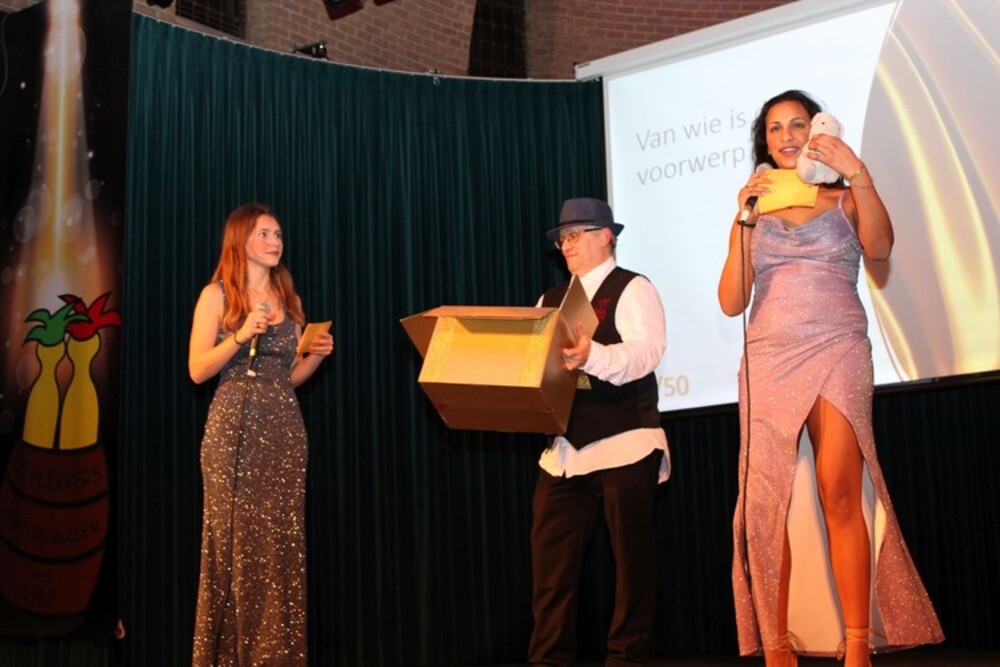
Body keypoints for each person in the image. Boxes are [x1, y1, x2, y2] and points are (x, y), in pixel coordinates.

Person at [717, 90, 943, 667]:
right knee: (766, 503)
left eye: (797, 124)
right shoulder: (753, 208)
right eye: (775, 129)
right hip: (768, 355)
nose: (787, 136)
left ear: (819, 131)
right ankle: (776, 646)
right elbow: (731, 301)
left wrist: (858, 172)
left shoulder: (844, 197)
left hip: (837, 344)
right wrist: (744, 219)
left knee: (838, 487)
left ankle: (857, 643)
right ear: (765, 143)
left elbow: (881, 247)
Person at [188, 203, 334, 666]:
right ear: (241, 240)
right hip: (232, 430)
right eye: (265, 234)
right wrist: (239, 335)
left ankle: (274, 656)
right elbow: (196, 370)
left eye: (278, 234)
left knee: (278, 547)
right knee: (234, 545)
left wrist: (315, 356)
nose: (276, 242)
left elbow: (286, 378)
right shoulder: (216, 295)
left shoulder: (287, 296)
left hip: (284, 430)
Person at [529, 197, 670, 667]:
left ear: (605, 236)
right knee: (551, 573)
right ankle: (548, 660)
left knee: (632, 569)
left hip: (624, 443)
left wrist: (593, 356)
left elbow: (647, 353)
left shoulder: (632, 288)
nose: (566, 245)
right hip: (565, 453)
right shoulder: (549, 300)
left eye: (575, 235)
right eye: (562, 239)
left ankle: (627, 660)